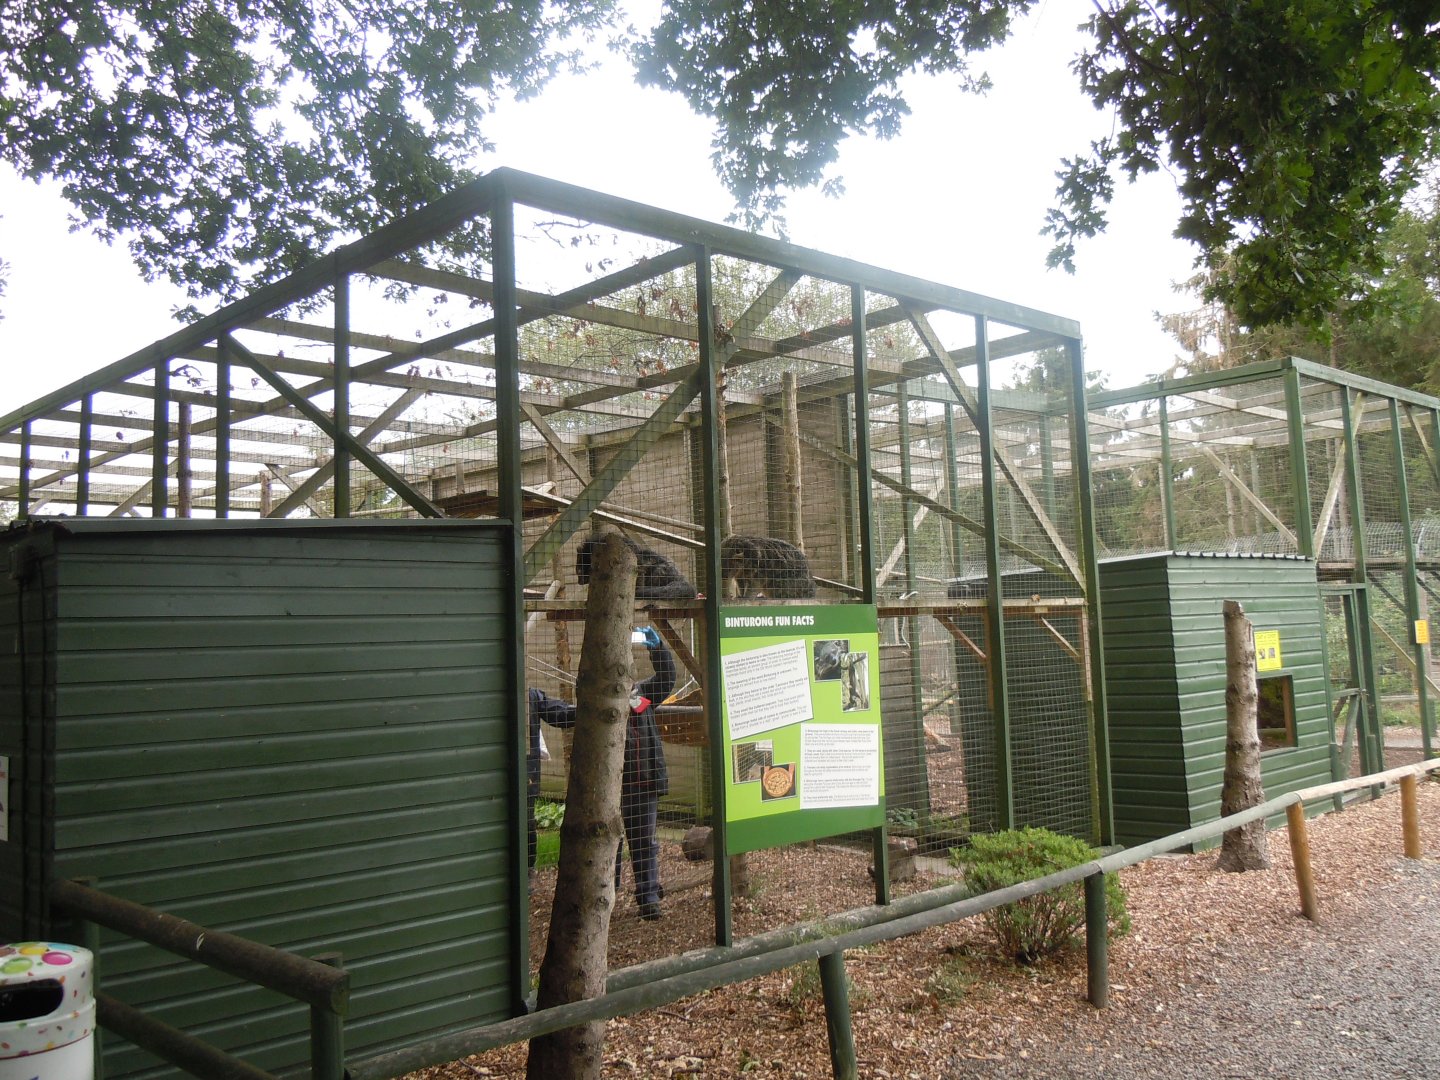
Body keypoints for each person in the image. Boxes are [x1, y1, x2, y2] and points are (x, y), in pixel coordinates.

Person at [527, 627, 675, 920]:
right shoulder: (596, 701)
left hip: (643, 785)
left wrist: (658, 649)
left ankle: (648, 898)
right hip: (609, 786)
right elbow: (564, 716)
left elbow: (667, 679)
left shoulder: (642, 696)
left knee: (645, 842)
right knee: (609, 844)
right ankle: (608, 897)